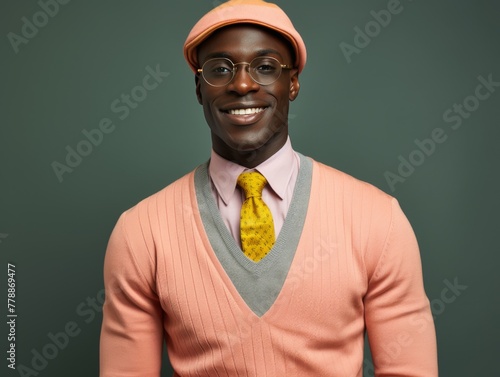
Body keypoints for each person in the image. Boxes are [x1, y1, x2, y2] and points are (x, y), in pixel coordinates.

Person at [99, 1, 438, 376]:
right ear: (199, 88)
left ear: (292, 83)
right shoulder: (140, 232)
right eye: (220, 69)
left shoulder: (378, 220)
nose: (242, 84)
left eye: (264, 67)